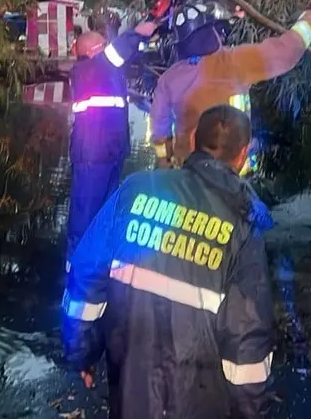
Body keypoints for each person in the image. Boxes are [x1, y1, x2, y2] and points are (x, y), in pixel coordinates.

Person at [60, 104, 275, 419]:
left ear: (191, 138)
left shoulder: (136, 189)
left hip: (130, 397)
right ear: (242, 155)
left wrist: (82, 353)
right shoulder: (242, 227)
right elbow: (247, 345)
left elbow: (86, 277)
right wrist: (249, 411)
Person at [151, 0, 311, 167]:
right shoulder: (236, 61)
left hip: (187, 173)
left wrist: (164, 161)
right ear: (213, 31)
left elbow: (160, 130)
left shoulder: (168, 79)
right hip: (229, 173)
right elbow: (285, 52)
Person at [66, 17, 156, 259]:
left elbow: (127, 54)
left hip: (111, 152)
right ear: (94, 50)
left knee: (106, 213)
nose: (108, 46)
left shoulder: (106, 70)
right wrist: (137, 32)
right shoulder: (88, 69)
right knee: (84, 215)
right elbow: (118, 51)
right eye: (103, 44)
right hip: (92, 156)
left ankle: (100, 264)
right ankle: (76, 270)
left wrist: (150, 29)